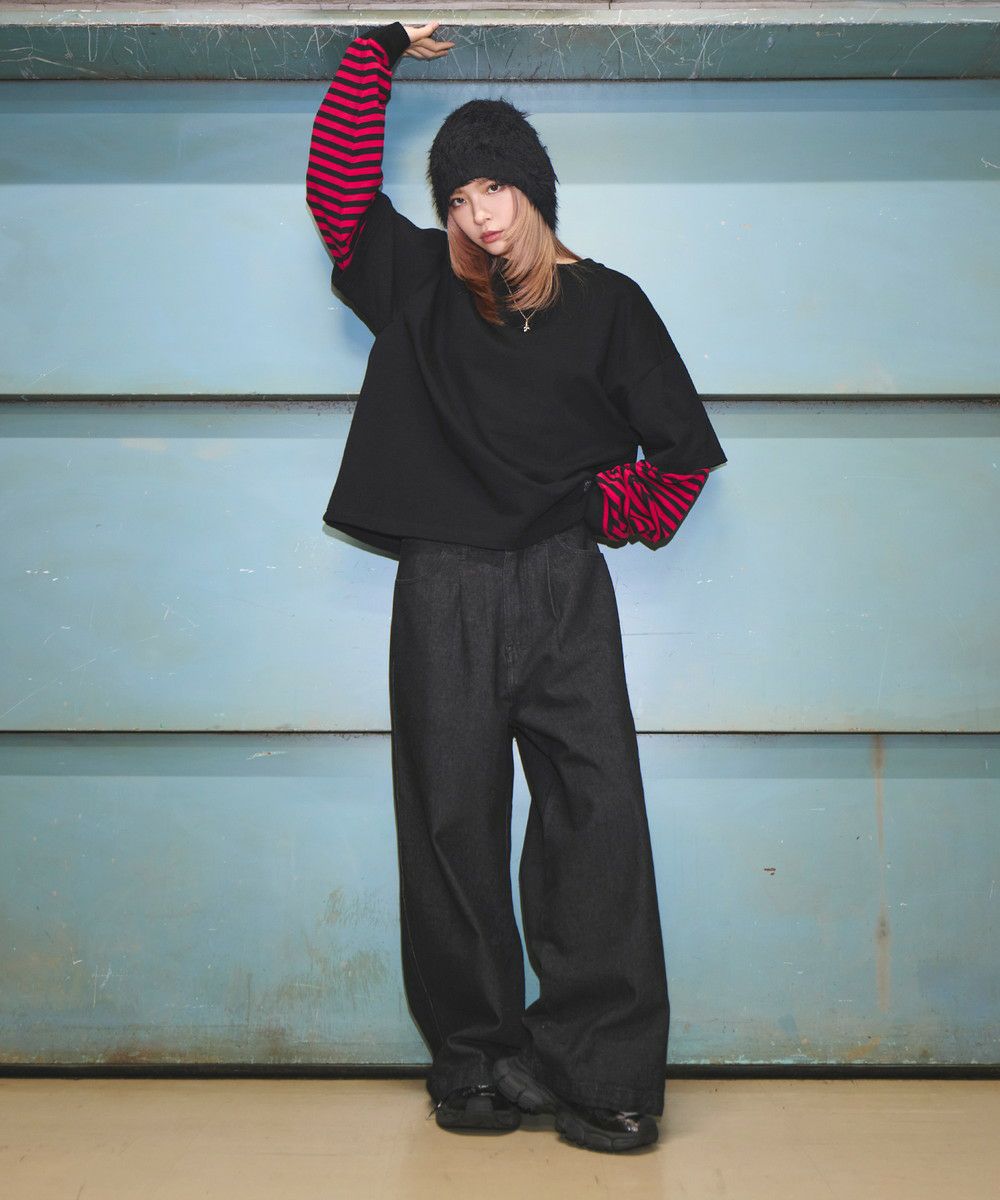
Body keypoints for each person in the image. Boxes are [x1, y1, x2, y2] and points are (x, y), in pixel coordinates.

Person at [306, 18, 727, 1154]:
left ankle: (605, 1074)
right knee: (450, 823)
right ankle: (476, 1062)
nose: (478, 215)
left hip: (560, 588)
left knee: (597, 817)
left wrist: (600, 510)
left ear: (535, 190)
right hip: (440, 585)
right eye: (456, 197)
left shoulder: (611, 305)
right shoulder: (417, 285)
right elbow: (336, 191)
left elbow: (682, 459)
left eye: (493, 188)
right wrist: (376, 52)